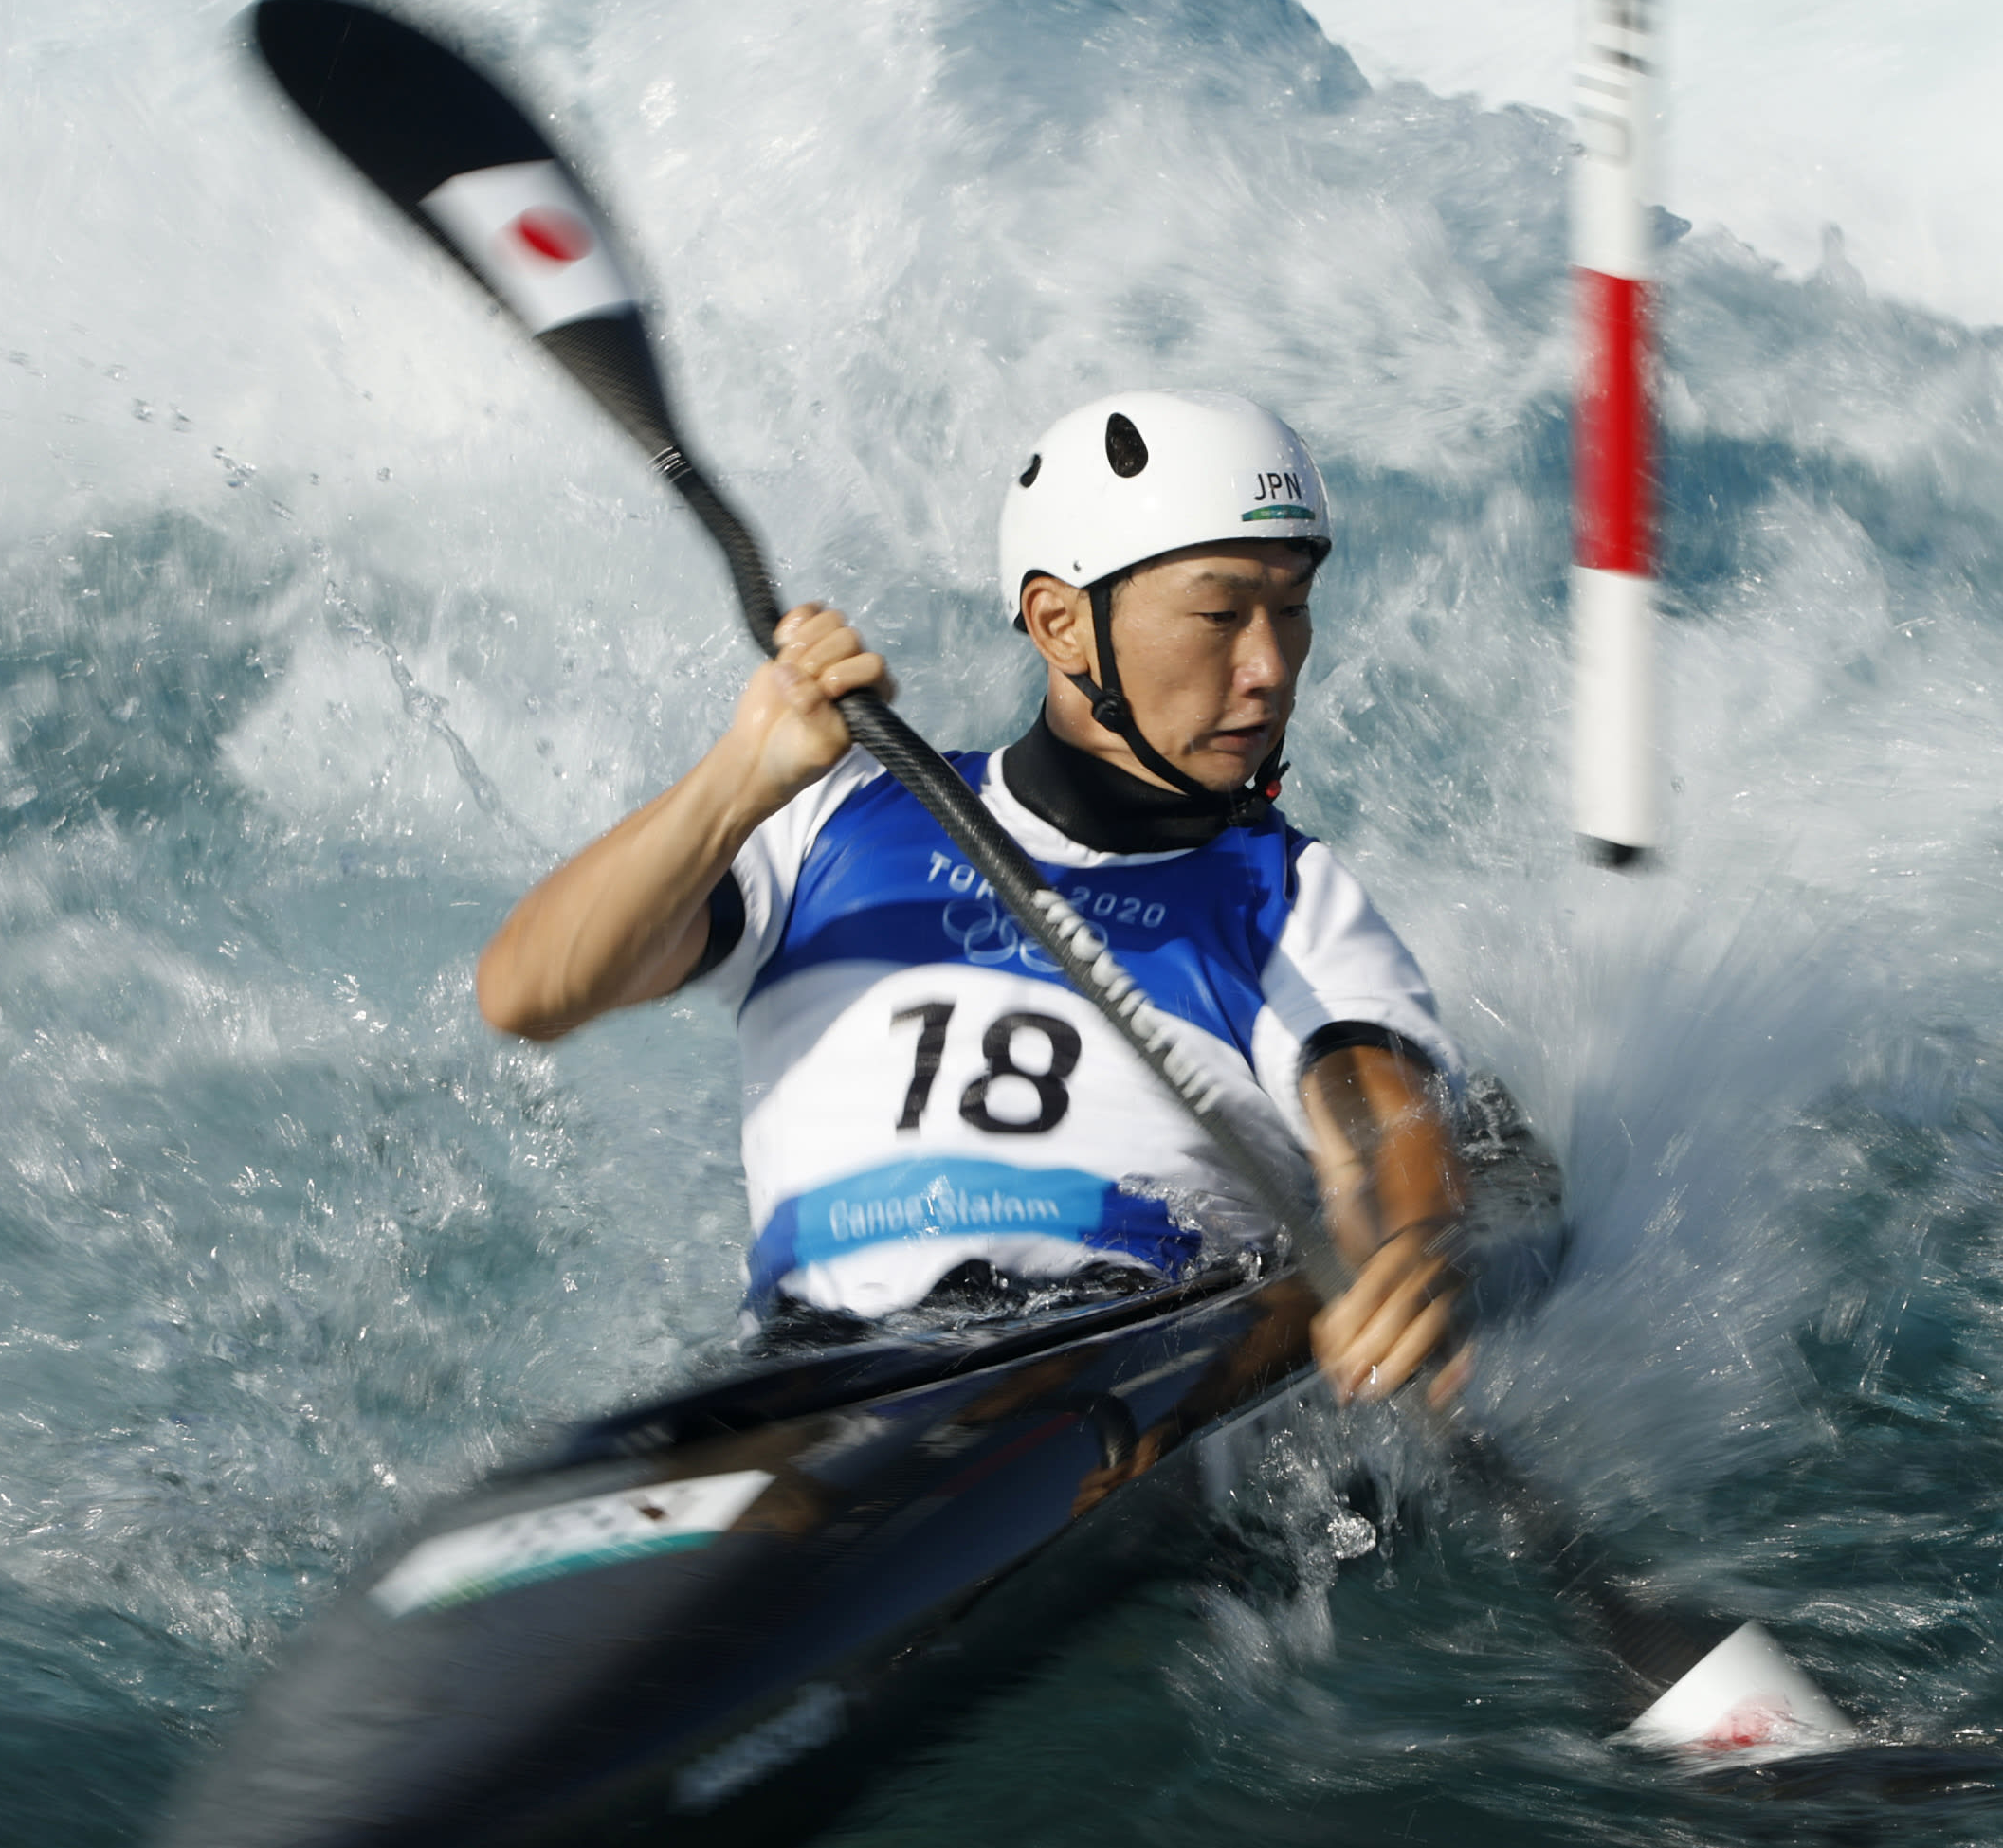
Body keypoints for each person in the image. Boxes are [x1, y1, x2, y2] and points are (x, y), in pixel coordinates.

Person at [475, 390, 1471, 1405]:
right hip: (809, 1374)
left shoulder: (1289, 896)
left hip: (1099, 1364)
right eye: (1220, 614)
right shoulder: (834, 819)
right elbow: (527, 991)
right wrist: (741, 775)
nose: (1268, 667)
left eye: (1292, 609)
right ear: (1060, 623)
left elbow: (1379, 1119)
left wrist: (1409, 1246)